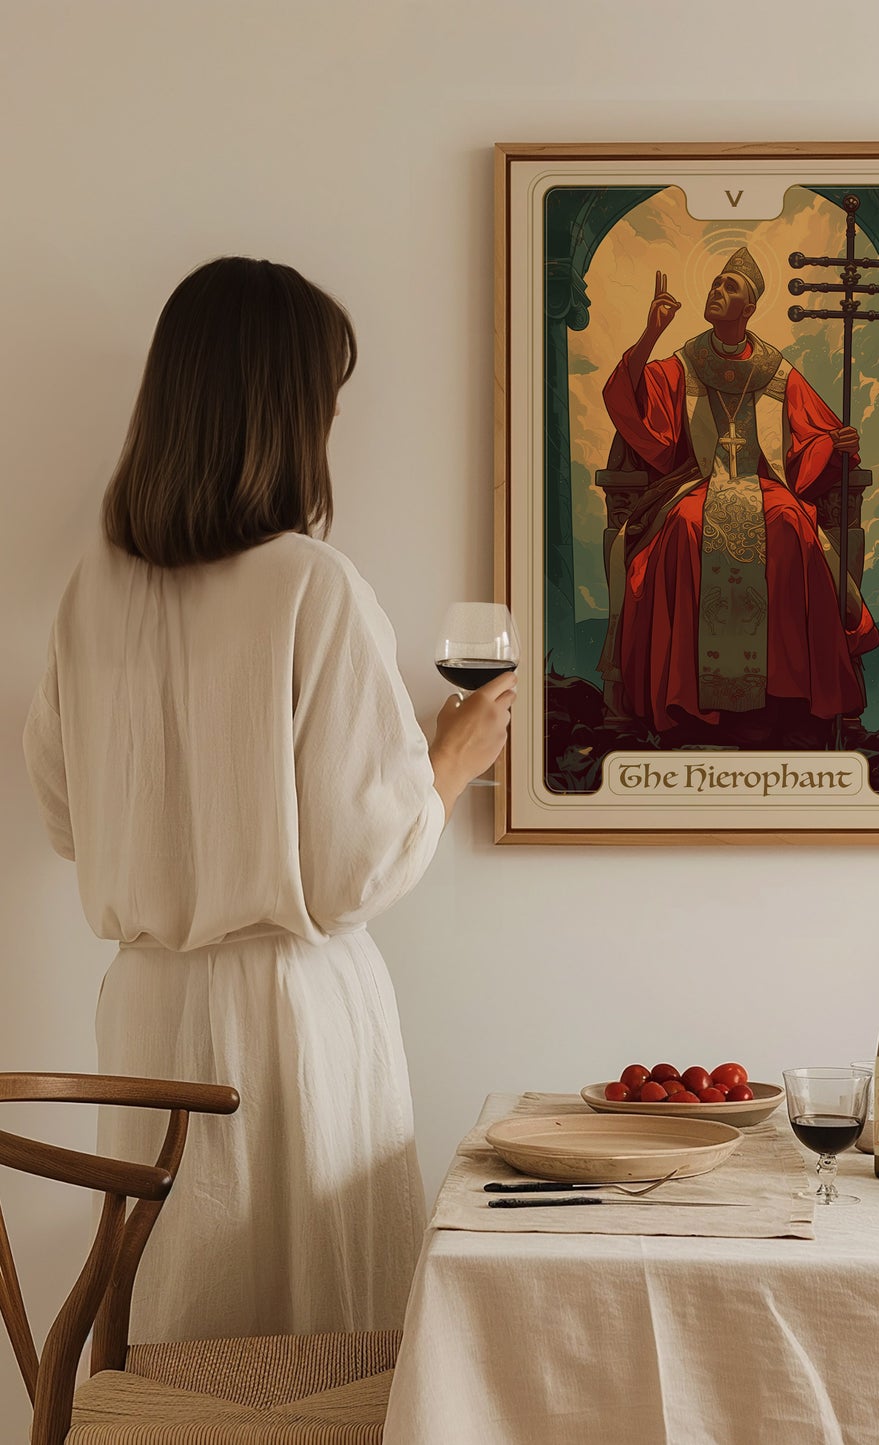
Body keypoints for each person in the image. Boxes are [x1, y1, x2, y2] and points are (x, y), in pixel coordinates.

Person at [21, 256, 513, 1342]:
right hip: (289, 1019)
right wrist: (450, 758)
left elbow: (65, 817)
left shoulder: (92, 590)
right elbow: (352, 871)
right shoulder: (310, 583)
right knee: (312, 1345)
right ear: (287, 413)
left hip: (146, 1010)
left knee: (176, 1331)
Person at [598, 246, 879, 745]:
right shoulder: (684, 362)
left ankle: (786, 692)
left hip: (764, 485)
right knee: (684, 525)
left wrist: (837, 442)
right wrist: (652, 332)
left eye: (730, 287)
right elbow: (628, 394)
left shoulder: (775, 369)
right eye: (716, 283)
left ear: (748, 309)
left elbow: (813, 429)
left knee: (791, 524)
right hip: (700, 484)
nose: (716, 291)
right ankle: (689, 696)